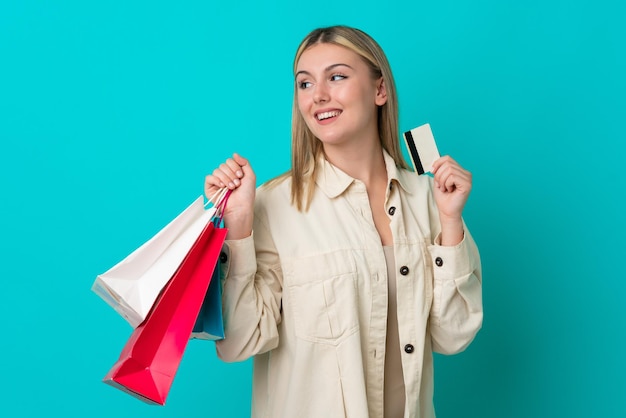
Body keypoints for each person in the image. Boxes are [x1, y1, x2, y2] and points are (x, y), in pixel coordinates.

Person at [204, 25, 482, 418]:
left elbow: (453, 336)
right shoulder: (273, 205)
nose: (318, 96)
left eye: (336, 77)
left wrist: (451, 222)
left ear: (380, 90)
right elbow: (238, 344)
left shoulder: (428, 200)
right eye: (304, 83)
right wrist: (238, 227)